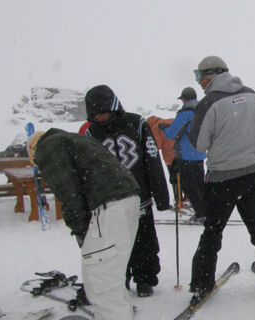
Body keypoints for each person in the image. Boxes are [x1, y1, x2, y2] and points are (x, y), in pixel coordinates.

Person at [187, 55, 255, 305]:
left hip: (221, 178)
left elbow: (199, 144)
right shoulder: (252, 94)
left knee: (212, 232)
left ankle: (201, 284)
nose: (199, 82)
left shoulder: (209, 102)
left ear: (209, 75)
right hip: (252, 174)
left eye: (199, 76)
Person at [27, 128, 141, 320]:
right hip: (127, 200)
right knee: (112, 279)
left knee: (101, 284)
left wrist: (80, 230)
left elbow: (67, 191)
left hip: (107, 207)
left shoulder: (47, 146)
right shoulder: (73, 139)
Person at [81, 84, 170, 298]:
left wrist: (161, 196)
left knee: (145, 241)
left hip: (139, 197)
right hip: (110, 200)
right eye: (96, 114)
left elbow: (152, 159)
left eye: (104, 112)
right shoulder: (92, 132)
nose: (101, 117)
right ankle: (119, 280)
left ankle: (145, 279)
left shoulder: (136, 123)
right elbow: (89, 170)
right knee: (115, 244)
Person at [162, 87, 208, 224]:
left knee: (188, 185)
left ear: (184, 99)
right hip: (200, 153)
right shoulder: (203, 110)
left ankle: (201, 214)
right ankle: (207, 210)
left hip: (186, 155)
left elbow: (172, 133)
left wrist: (165, 129)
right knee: (200, 185)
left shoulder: (185, 113)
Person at [146, 116, 180, 207]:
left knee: (174, 179)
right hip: (183, 154)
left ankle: (178, 201)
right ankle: (185, 198)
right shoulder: (170, 121)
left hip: (170, 156)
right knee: (182, 177)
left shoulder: (155, 128)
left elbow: (157, 145)